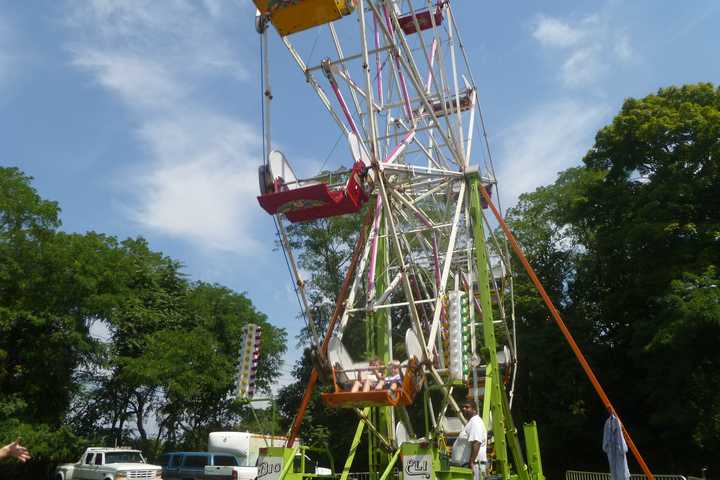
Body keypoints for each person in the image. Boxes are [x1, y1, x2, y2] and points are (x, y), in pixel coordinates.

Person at [460, 401, 487, 480]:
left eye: (467, 407)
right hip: (469, 465)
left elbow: (476, 442)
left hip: (474, 465)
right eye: (463, 407)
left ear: (474, 410)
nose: (463, 409)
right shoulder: (471, 422)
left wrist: (471, 462)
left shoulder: (475, 421)